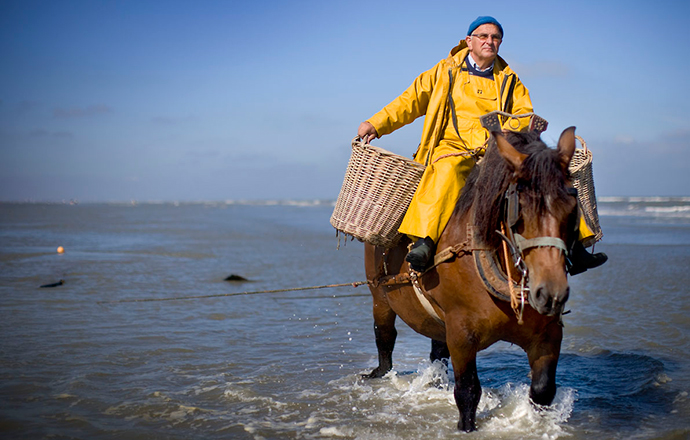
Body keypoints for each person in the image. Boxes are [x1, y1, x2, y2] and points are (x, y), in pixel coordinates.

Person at [358, 16, 607, 274]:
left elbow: (524, 116)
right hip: (451, 147)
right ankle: (425, 242)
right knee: (446, 173)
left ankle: (575, 249)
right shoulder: (444, 71)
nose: (490, 41)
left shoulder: (511, 80)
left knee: (548, 179)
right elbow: (409, 101)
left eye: (495, 37)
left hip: (495, 151)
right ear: (469, 41)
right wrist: (376, 124)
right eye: (483, 36)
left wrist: (524, 130)